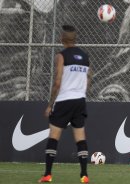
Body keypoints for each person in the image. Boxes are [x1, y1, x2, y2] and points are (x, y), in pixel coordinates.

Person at [38, 25, 92, 183]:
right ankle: (84, 175)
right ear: (75, 39)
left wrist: (50, 104)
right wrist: (81, 91)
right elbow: (89, 77)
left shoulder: (61, 56)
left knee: (53, 137)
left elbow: (57, 81)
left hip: (64, 100)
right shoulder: (85, 56)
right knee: (80, 138)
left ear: (62, 39)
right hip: (80, 100)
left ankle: (47, 175)